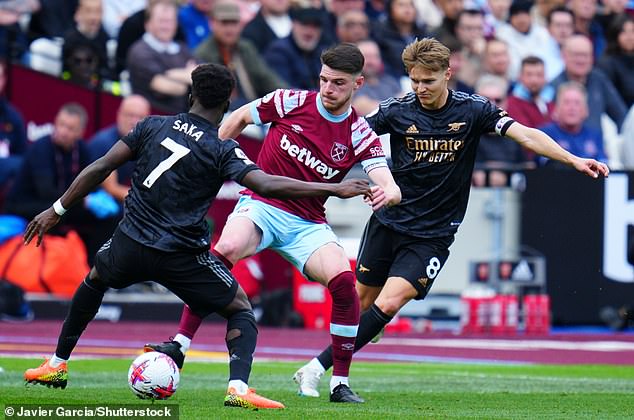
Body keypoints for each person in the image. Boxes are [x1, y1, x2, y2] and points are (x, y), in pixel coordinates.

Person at [21, 63, 372, 410]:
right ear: (226, 106)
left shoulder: (151, 126)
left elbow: (100, 167)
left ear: (190, 95)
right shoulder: (222, 149)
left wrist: (56, 210)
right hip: (181, 256)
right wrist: (334, 188)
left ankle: (56, 364)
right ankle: (237, 388)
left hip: (130, 243)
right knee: (240, 310)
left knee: (94, 280)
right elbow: (264, 183)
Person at [291, 37, 610, 397]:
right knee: (361, 306)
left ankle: (320, 373)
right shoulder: (396, 109)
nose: (420, 89)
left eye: (428, 81)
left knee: (389, 304)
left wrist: (573, 159)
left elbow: (525, 134)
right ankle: (358, 342)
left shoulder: (473, 110)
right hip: (389, 221)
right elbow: (347, 139)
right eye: (414, 81)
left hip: (434, 233)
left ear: (448, 74)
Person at [145, 43, 402, 403]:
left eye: (338, 83)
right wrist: (203, 162)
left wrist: (387, 193)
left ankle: (338, 383)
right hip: (262, 204)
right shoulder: (289, 101)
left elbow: (388, 183)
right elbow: (237, 119)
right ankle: (179, 344)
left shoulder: (359, 133)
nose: (328, 89)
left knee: (344, 284)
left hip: (307, 222)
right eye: (324, 80)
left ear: (358, 83)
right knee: (226, 249)